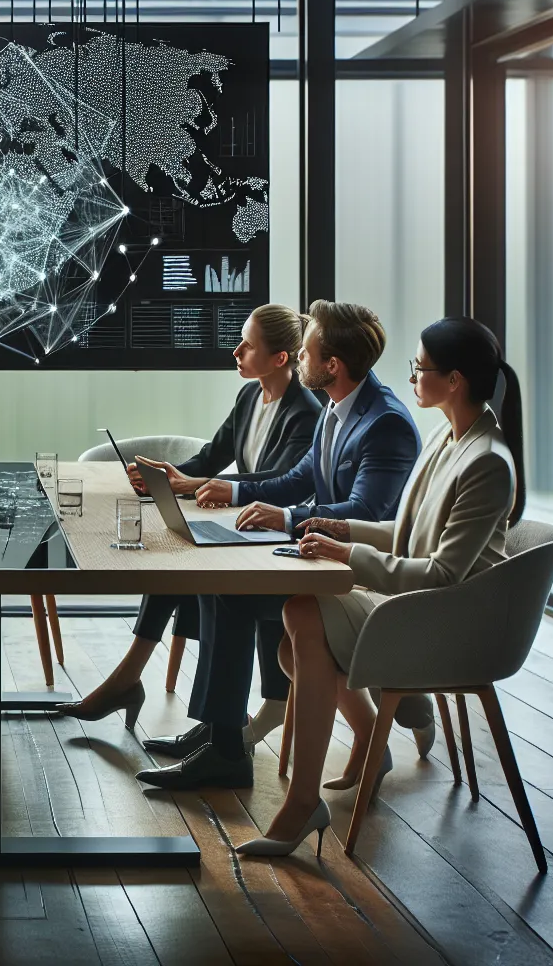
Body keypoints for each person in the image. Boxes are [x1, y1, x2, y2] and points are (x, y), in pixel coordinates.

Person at [239, 317, 525, 857]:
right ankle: (345, 760)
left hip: (449, 622)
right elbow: (412, 530)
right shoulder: (452, 437)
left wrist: (347, 553)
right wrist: (340, 528)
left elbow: (441, 573)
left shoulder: (486, 462)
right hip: (424, 605)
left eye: (420, 368)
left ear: (455, 380)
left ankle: (306, 800)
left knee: (303, 614)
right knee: (296, 629)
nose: (412, 377)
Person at [136, 300, 422, 791]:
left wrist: (289, 518)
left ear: (331, 365)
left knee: (230, 592)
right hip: (321, 560)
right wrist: (242, 491)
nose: (299, 359)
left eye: (306, 353)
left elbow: (365, 515)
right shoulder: (340, 406)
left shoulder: (385, 423)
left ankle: (225, 750)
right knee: (215, 578)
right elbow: (298, 478)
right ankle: (216, 733)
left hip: (359, 573)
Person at [51, 304, 321, 742]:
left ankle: (136, 685)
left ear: (280, 359)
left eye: (247, 345)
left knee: (185, 562)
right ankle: (139, 684)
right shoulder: (250, 396)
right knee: (174, 556)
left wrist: (198, 483)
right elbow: (211, 458)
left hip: (274, 537)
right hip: (245, 526)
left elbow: (280, 483)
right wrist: (169, 476)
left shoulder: (305, 412)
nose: (235, 351)